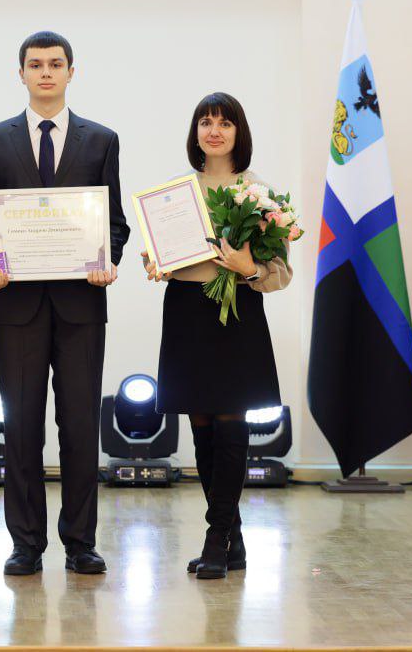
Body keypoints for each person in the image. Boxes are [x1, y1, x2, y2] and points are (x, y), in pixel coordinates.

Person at [0, 31, 129, 576]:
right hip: (15, 308)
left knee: (81, 427)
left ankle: (81, 542)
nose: (45, 73)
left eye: (55, 64)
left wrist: (111, 259)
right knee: (21, 431)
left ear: (71, 72)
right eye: (35, 65)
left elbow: (116, 225)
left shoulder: (102, 140)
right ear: (21, 74)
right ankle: (26, 544)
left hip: (83, 306)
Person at [143, 91, 291, 581]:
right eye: (205, 122)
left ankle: (214, 535)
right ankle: (234, 537)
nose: (214, 130)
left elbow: (280, 274)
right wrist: (156, 264)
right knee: (202, 429)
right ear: (195, 133)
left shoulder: (261, 194)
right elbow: (164, 255)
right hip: (188, 313)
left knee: (231, 426)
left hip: (238, 314)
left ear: (238, 133)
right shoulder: (175, 194)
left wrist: (250, 268)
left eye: (225, 123)